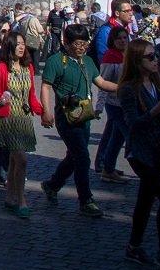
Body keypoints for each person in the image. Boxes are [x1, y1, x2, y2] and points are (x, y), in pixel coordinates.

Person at [118, 38, 160, 270]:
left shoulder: (155, 83)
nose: (156, 60)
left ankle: (134, 246)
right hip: (141, 152)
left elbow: (159, 118)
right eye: (150, 57)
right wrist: (156, 111)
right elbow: (132, 123)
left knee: (145, 201)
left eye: (156, 55)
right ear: (137, 61)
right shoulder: (128, 89)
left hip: (156, 149)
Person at [39, 23, 117, 218]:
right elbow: (46, 87)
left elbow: (101, 83)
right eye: (78, 43)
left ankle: (52, 184)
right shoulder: (56, 61)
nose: (82, 47)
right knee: (82, 157)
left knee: (73, 157)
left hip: (85, 115)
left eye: (85, 43)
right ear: (67, 42)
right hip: (66, 117)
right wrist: (46, 111)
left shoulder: (88, 62)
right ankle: (86, 200)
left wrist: (124, 86)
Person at [0, 30, 42, 218]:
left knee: (15, 160)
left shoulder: (28, 67)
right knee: (21, 160)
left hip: (23, 118)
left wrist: (42, 112)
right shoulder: (0, 67)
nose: (22, 47)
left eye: (23, 43)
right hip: (7, 119)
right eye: (18, 44)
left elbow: (31, 94)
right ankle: (21, 200)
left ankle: (9, 198)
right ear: (9, 46)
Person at [94, 25, 132, 182]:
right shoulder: (110, 57)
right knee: (130, 135)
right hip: (114, 103)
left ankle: (108, 168)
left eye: (125, 37)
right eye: (119, 38)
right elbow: (103, 82)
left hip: (127, 102)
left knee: (116, 137)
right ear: (113, 41)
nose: (123, 41)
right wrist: (99, 106)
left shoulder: (129, 55)